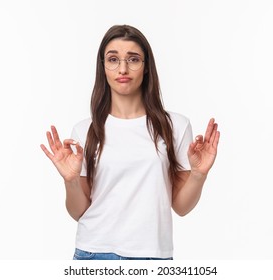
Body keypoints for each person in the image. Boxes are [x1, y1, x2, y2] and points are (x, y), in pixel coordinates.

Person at [40, 24, 220, 260]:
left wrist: (199, 174)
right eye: (113, 59)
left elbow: (181, 207)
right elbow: (78, 211)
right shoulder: (85, 130)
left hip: (153, 256)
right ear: (103, 66)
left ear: (146, 68)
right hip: (95, 254)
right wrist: (71, 181)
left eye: (133, 59)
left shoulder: (175, 126)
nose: (122, 68)